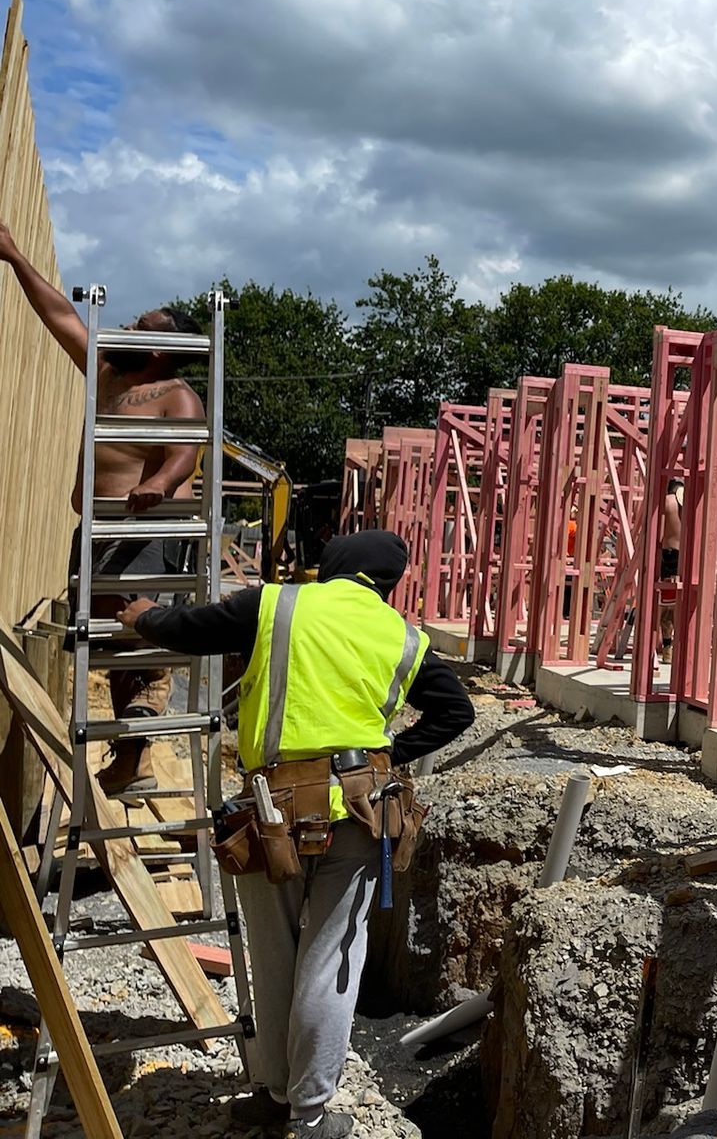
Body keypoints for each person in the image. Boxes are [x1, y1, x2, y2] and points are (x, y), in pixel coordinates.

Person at [120, 530, 474, 1139]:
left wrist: (143, 615)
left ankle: (278, 1095)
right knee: (329, 962)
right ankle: (308, 1114)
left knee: (273, 958)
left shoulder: (277, 603)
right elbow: (456, 711)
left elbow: (190, 629)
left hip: (271, 814)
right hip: (359, 816)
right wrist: (388, 754)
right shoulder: (403, 637)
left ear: (331, 566)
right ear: (387, 583)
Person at [0, 219, 206, 794]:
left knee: (142, 632)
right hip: (101, 529)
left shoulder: (175, 396)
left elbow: (184, 456)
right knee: (112, 640)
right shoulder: (109, 375)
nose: (128, 327)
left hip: (149, 530)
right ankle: (133, 758)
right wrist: (14, 256)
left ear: (161, 350)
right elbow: (60, 316)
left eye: (141, 326)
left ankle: (138, 740)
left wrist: (158, 484)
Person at [658, 477, 684, 656]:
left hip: (665, 554)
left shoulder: (666, 502)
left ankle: (666, 646)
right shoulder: (688, 503)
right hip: (683, 555)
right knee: (679, 604)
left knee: (662, 605)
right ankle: (676, 646)